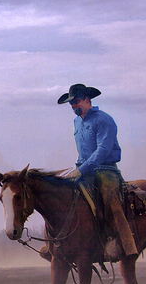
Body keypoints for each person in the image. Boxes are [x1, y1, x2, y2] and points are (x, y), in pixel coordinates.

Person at [57, 84, 138, 260]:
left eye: (76, 102)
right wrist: (78, 170)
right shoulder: (77, 122)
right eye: (71, 104)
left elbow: (102, 150)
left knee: (110, 199)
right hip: (82, 169)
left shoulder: (104, 120)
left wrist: (81, 170)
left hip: (105, 170)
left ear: (87, 99)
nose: (73, 106)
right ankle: (59, 245)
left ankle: (124, 243)